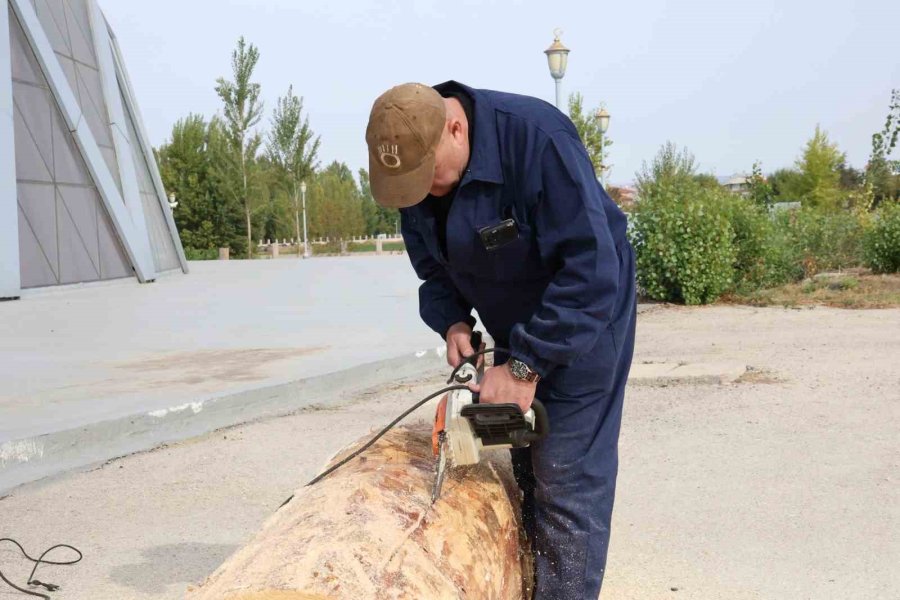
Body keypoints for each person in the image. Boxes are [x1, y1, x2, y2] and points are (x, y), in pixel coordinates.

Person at [365, 81, 636, 600]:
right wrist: (453, 322)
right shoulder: (414, 172)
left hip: (586, 310)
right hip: (514, 310)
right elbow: (433, 270)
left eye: (429, 178)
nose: (422, 193)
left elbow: (591, 268)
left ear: (457, 129)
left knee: (566, 475)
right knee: (527, 457)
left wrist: (525, 366)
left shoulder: (538, 140)